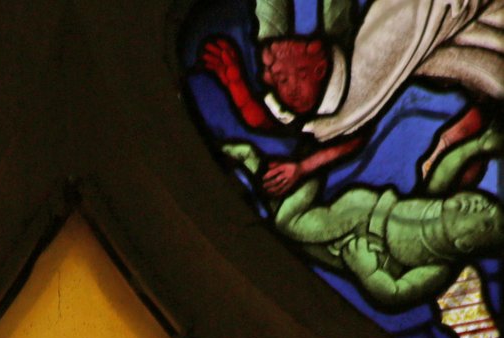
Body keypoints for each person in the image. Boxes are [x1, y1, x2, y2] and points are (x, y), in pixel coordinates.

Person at [202, 0, 503, 195]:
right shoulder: (376, 56)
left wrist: (237, 84)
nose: (267, 71)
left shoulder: (328, 98)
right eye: (277, 76)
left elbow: (272, 119)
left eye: (276, 76)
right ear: (316, 65)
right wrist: (303, 167)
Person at [221, 120, 503, 309]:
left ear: (465, 244)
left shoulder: (437, 269)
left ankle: (255, 164)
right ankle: (303, 170)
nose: (481, 206)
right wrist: (479, 145)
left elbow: (396, 292)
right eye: (487, 204)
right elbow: (449, 164)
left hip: (358, 250)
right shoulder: (435, 199)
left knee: (295, 228)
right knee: (289, 224)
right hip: (361, 208)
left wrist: (368, 271)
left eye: (486, 221)